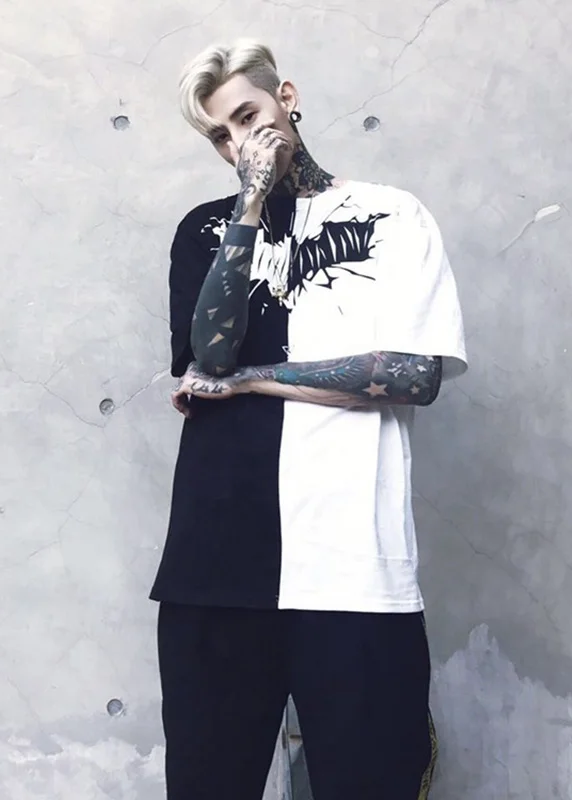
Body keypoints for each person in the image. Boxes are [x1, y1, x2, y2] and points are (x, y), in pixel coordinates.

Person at [149, 38, 468, 800]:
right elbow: (208, 355)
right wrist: (250, 205)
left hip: (356, 569)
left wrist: (253, 381)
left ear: (286, 98)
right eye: (219, 136)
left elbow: (413, 376)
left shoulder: (393, 216)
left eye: (247, 117)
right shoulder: (206, 231)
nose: (238, 144)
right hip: (217, 570)